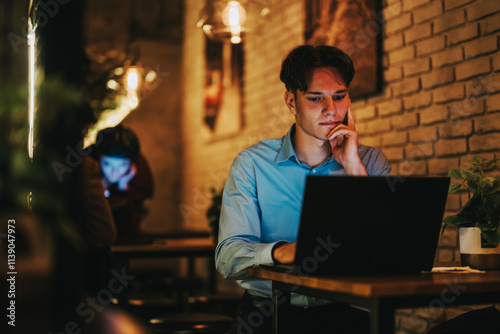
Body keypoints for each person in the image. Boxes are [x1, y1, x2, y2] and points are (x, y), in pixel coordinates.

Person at [215, 45, 391, 333]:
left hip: (340, 312)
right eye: (315, 98)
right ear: (291, 102)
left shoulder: (369, 162)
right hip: (267, 313)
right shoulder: (252, 164)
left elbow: (386, 249)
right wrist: (282, 252)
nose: (331, 110)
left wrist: (353, 168)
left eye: (339, 97)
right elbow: (227, 258)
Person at [93, 125, 154, 242]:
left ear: (132, 163)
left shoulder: (138, 179)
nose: (114, 172)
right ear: (99, 159)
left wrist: (123, 188)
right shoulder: (90, 177)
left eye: (122, 165)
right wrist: (99, 190)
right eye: (107, 164)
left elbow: (129, 229)